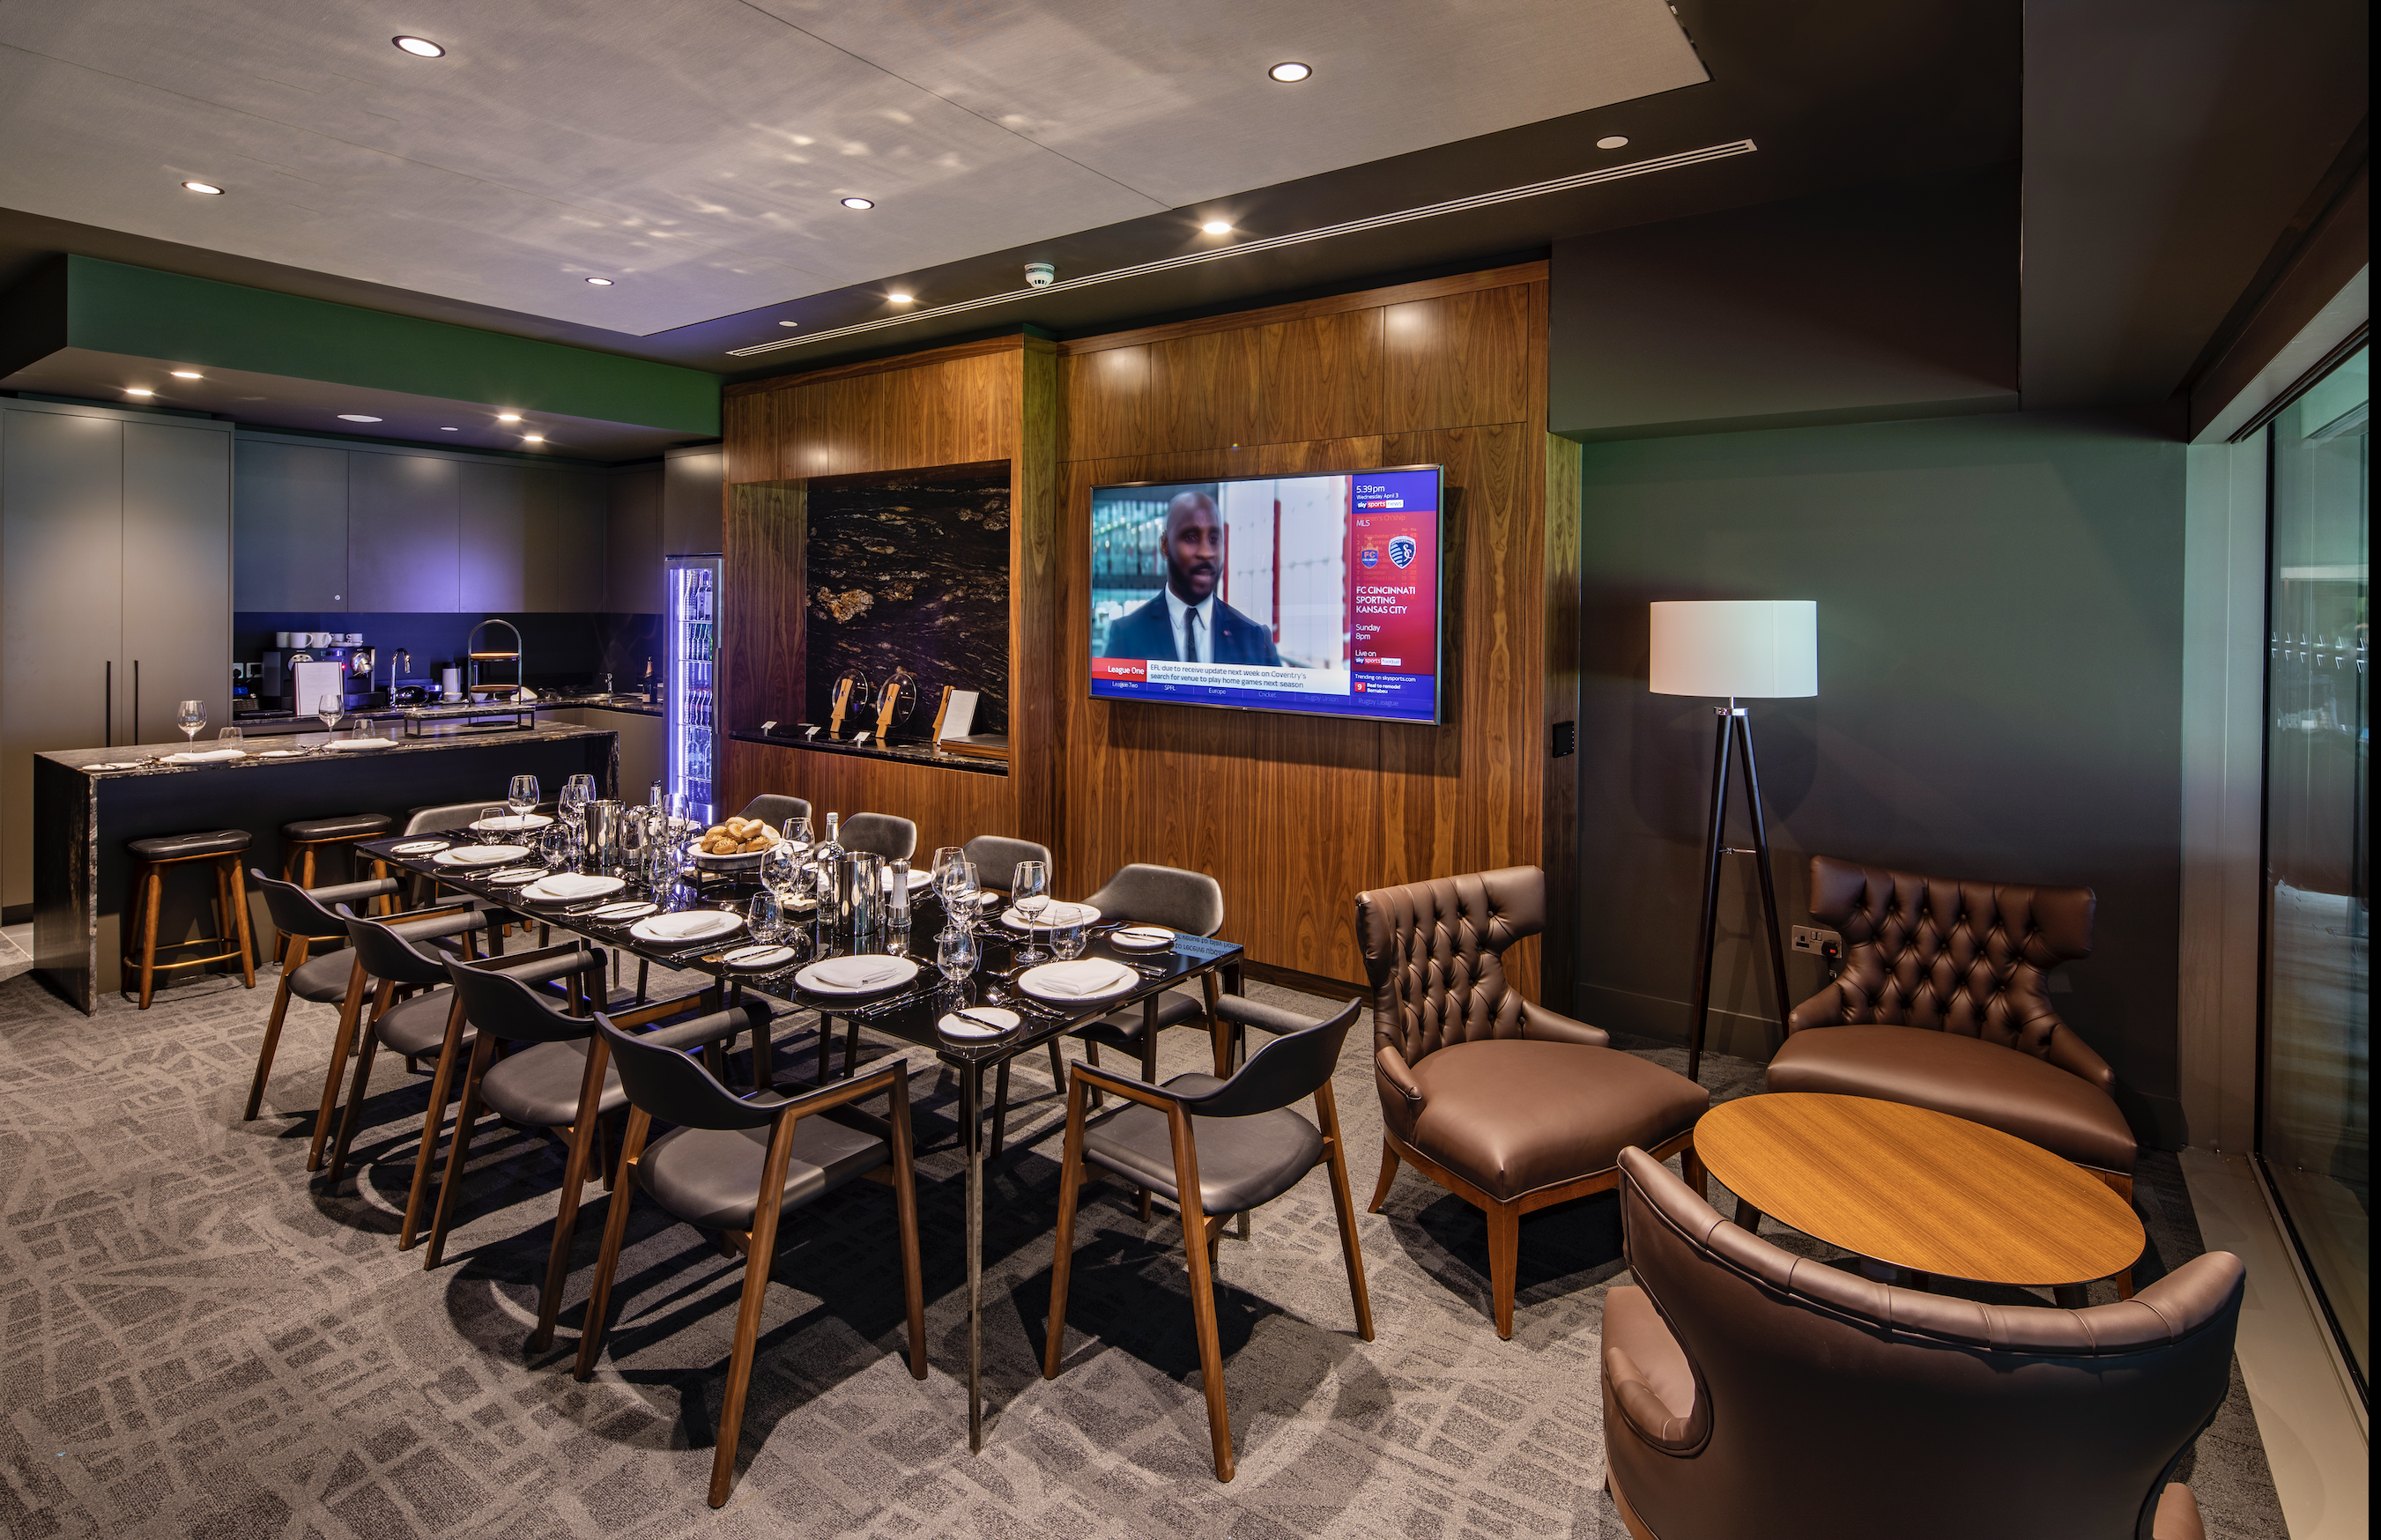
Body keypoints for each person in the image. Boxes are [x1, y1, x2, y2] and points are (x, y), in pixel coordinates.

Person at [1103, 491, 1283, 665]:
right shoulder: (1126, 636)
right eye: (1191, 537)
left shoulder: (1257, 641)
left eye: (1214, 539)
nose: (1206, 553)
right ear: (1165, 545)